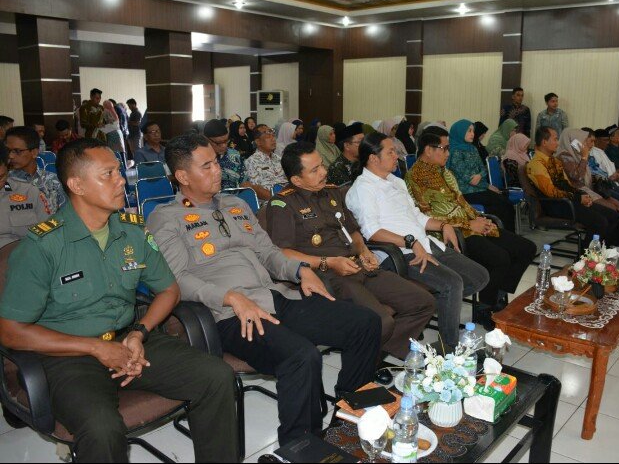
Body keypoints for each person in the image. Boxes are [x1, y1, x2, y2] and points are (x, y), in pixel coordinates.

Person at [0, 138, 240, 462]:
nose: (121, 181)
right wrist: (96, 348)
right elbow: (10, 331)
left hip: (129, 340)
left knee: (217, 376)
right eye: (108, 174)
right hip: (68, 356)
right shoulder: (42, 246)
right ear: (77, 185)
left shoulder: (132, 231)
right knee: (101, 429)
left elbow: (169, 290)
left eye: (118, 171)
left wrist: (140, 332)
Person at [147, 134, 381, 446]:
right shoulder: (166, 218)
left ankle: (348, 420)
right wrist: (230, 297)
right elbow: (176, 279)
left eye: (216, 162)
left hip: (274, 297)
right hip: (230, 315)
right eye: (207, 166)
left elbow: (269, 253)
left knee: (365, 323)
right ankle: (300, 448)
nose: (218, 170)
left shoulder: (236, 205)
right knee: (302, 356)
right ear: (182, 176)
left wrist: (300, 270)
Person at [266, 143, 434, 359]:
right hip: (326, 275)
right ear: (297, 180)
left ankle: (377, 357)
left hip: (358, 265)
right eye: (315, 170)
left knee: (423, 302)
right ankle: (367, 364)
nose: (324, 172)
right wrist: (329, 262)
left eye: (322, 165)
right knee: (380, 322)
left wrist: (364, 250)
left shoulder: (332, 191)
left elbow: (352, 231)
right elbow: (282, 253)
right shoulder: (282, 204)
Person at [346, 132, 489, 347]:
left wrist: (443, 225)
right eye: (390, 152)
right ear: (373, 158)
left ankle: (430, 306)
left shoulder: (396, 181)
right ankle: (448, 348)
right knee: (452, 283)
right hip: (399, 253)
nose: (397, 156)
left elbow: (417, 216)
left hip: (425, 243)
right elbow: (372, 232)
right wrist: (411, 242)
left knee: (479, 276)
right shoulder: (363, 188)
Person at [406, 132, 536, 324]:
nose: (448, 153)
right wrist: (469, 224)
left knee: (527, 248)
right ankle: (485, 308)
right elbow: (426, 218)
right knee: (500, 258)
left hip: (469, 225)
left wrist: (479, 219)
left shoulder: (445, 172)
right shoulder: (415, 178)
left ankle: (497, 294)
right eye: (444, 149)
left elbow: (462, 203)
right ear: (428, 150)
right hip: (449, 233)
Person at [527, 127, 619, 247]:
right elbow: (551, 192)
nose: (557, 142)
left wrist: (582, 195)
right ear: (544, 142)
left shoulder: (554, 161)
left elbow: (567, 184)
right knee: (599, 221)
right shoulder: (536, 164)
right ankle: (586, 255)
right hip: (555, 204)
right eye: (555, 139)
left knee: (612, 215)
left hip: (568, 200)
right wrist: (577, 198)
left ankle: (602, 249)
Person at [446, 121, 516, 232]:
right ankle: (501, 233)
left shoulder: (472, 148)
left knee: (505, 202)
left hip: (478, 189)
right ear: (460, 132)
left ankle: (508, 234)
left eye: (473, 131)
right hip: (465, 192)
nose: (472, 134)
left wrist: (482, 179)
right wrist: (485, 183)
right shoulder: (455, 152)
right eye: (469, 131)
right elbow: (469, 179)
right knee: (500, 205)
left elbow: (483, 168)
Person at [203, 119, 269, 200]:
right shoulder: (199, 159)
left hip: (235, 202)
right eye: (219, 143)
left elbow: (245, 183)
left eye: (226, 141)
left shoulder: (235, 155)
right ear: (206, 140)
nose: (224, 146)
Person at [6, 126, 66, 213]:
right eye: (8, 150)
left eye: (17, 151)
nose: (10, 156)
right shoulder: (6, 181)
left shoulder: (53, 180)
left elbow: (65, 211)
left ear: (34, 152)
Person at [0, 145, 51, 249]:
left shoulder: (29, 192)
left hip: (27, 252)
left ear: (7, 167)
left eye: (1, 177)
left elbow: (48, 228)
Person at [245, 124, 289, 198]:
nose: (273, 139)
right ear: (258, 142)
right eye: (268, 137)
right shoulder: (251, 161)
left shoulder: (279, 159)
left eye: (273, 136)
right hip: (269, 200)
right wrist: (278, 199)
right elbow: (256, 189)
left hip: (287, 196)